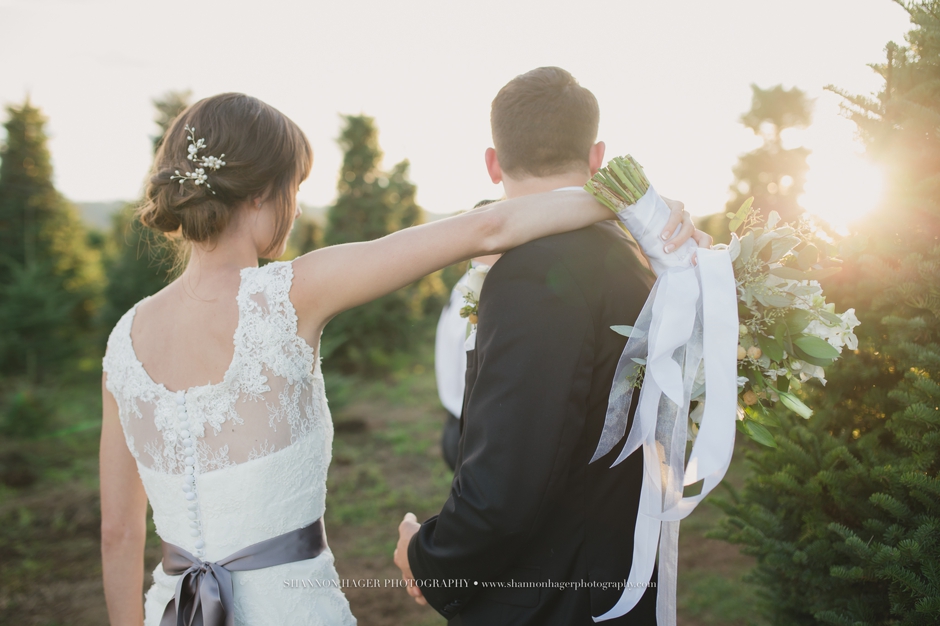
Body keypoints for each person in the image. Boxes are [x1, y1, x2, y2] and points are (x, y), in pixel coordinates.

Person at [98, 92, 699, 625]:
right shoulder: (290, 293)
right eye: (295, 190)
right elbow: (488, 228)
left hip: (167, 610)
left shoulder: (123, 342)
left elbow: (119, 534)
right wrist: (642, 209)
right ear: (260, 192)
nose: (298, 209)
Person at [395, 67, 712, 625]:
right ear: (596, 157)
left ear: (493, 163)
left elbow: (508, 488)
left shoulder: (533, 274)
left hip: (553, 599)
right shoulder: (636, 262)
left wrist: (427, 558)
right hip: (613, 579)